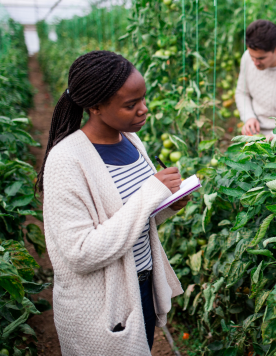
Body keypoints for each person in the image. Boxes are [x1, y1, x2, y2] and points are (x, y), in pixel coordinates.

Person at [37, 51, 188, 355]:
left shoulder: (131, 141)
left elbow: (131, 221)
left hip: (140, 285)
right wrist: (149, 193)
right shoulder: (67, 161)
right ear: (95, 107)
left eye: (143, 100)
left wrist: (168, 205)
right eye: (131, 105)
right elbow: (81, 252)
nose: (143, 110)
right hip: (102, 303)